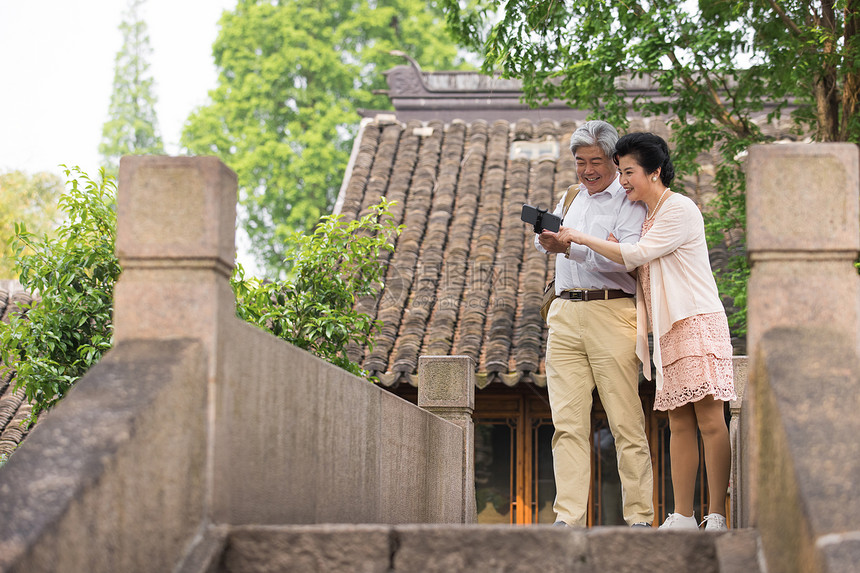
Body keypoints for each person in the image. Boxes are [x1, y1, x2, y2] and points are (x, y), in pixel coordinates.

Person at [558, 131, 737, 531]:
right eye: (620, 172)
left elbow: (635, 254)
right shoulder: (651, 215)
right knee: (678, 423)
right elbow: (631, 259)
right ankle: (683, 516)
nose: (623, 181)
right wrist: (597, 246)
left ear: (655, 171)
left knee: (710, 421)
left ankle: (716, 514)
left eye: (629, 172)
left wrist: (579, 237)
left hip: (696, 322)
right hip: (667, 330)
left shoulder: (679, 209)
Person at [536, 120, 654, 528]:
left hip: (612, 312)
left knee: (625, 421)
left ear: (614, 161)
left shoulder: (629, 201)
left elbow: (625, 256)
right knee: (566, 424)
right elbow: (551, 238)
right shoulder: (571, 196)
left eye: (597, 161)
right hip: (565, 314)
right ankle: (568, 519)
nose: (588, 170)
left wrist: (573, 247)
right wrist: (551, 240)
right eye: (580, 161)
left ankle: (639, 517)